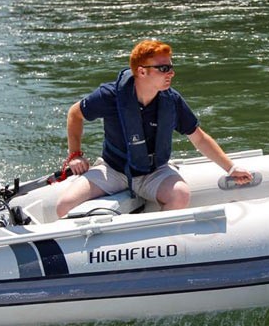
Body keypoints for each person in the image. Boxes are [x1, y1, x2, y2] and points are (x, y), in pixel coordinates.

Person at [54, 40, 252, 219]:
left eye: (171, 67)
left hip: (154, 172)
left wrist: (231, 168)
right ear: (142, 72)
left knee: (180, 195)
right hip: (113, 170)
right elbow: (75, 114)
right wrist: (75, 155)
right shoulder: (109, 96)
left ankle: (159, 242)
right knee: (64, 206)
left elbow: (199, 138)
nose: (171, 73)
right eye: (164, 68)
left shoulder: (172, 100)